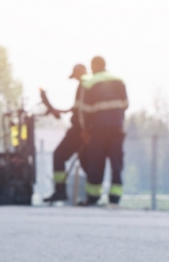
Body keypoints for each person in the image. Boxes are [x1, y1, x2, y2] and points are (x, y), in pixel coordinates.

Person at [79, 56, 129, 205]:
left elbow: (85, 111)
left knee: (96, 162)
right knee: (116, 162)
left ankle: (93, 197)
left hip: (98, 130)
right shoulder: (119, 80)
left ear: (93, 66)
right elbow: (126, 104)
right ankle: (115, 197)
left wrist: (85, 130)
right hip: (117, 128)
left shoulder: (88, 83)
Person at [44, 63, 88, 203]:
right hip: (83, 130)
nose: (75, 79)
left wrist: (83, 129)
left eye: (76, 75)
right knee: (87, 162)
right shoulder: (85, 86)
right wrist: (61, 111)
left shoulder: (85, 85)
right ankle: (90, 196)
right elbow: (77, 108)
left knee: (59, 155)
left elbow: (82, 111)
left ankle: (60, 191)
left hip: (79, 131)